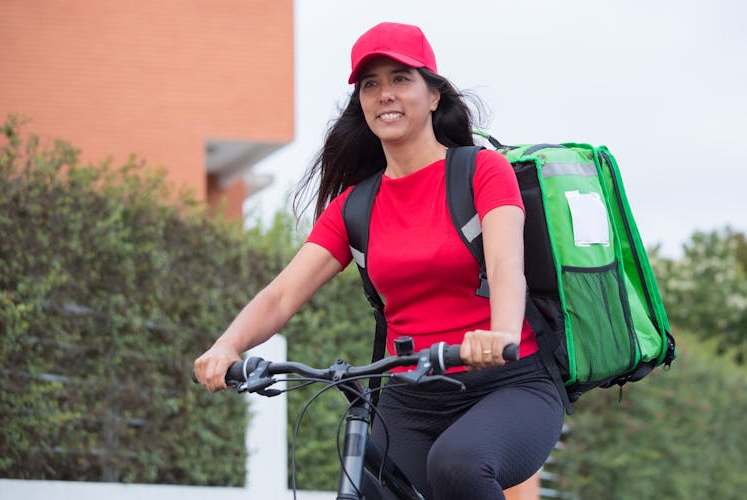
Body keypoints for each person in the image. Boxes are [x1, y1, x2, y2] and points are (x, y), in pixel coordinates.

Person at [195, 21, 564, 499]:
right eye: (371, 84)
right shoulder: (355, 206)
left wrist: (502, 336)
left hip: (506, 383)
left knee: (459, 465)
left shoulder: (481, 170)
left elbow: (505, 266)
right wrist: (227, 346)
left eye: (400, 79)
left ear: (433, 95)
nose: (384, 94)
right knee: (365, 480)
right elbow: (283, 293)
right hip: (409, 398)